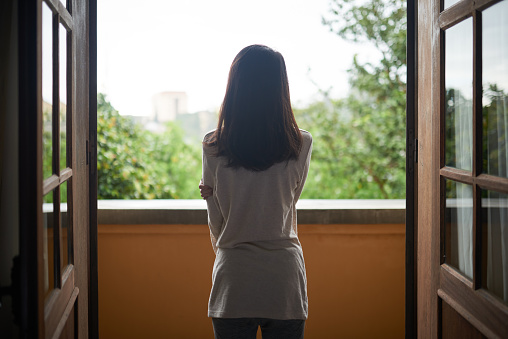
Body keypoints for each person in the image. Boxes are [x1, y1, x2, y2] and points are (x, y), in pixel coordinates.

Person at [199, 44, 312, 339]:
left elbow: (217, 221)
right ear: (281, 88)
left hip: (234, 278)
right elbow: (290, 202)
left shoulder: (212, 146)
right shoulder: (301, 144)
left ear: (235, 86)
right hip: (284, 277)